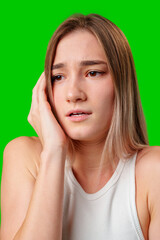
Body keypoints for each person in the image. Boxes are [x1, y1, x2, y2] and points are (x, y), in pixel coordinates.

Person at [1, 13, 160, 240]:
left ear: (122, 85)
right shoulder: (25, 157)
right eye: (58, 76)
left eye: (93, 72)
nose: (74, 94)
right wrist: (54, 150)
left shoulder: (153, 170)